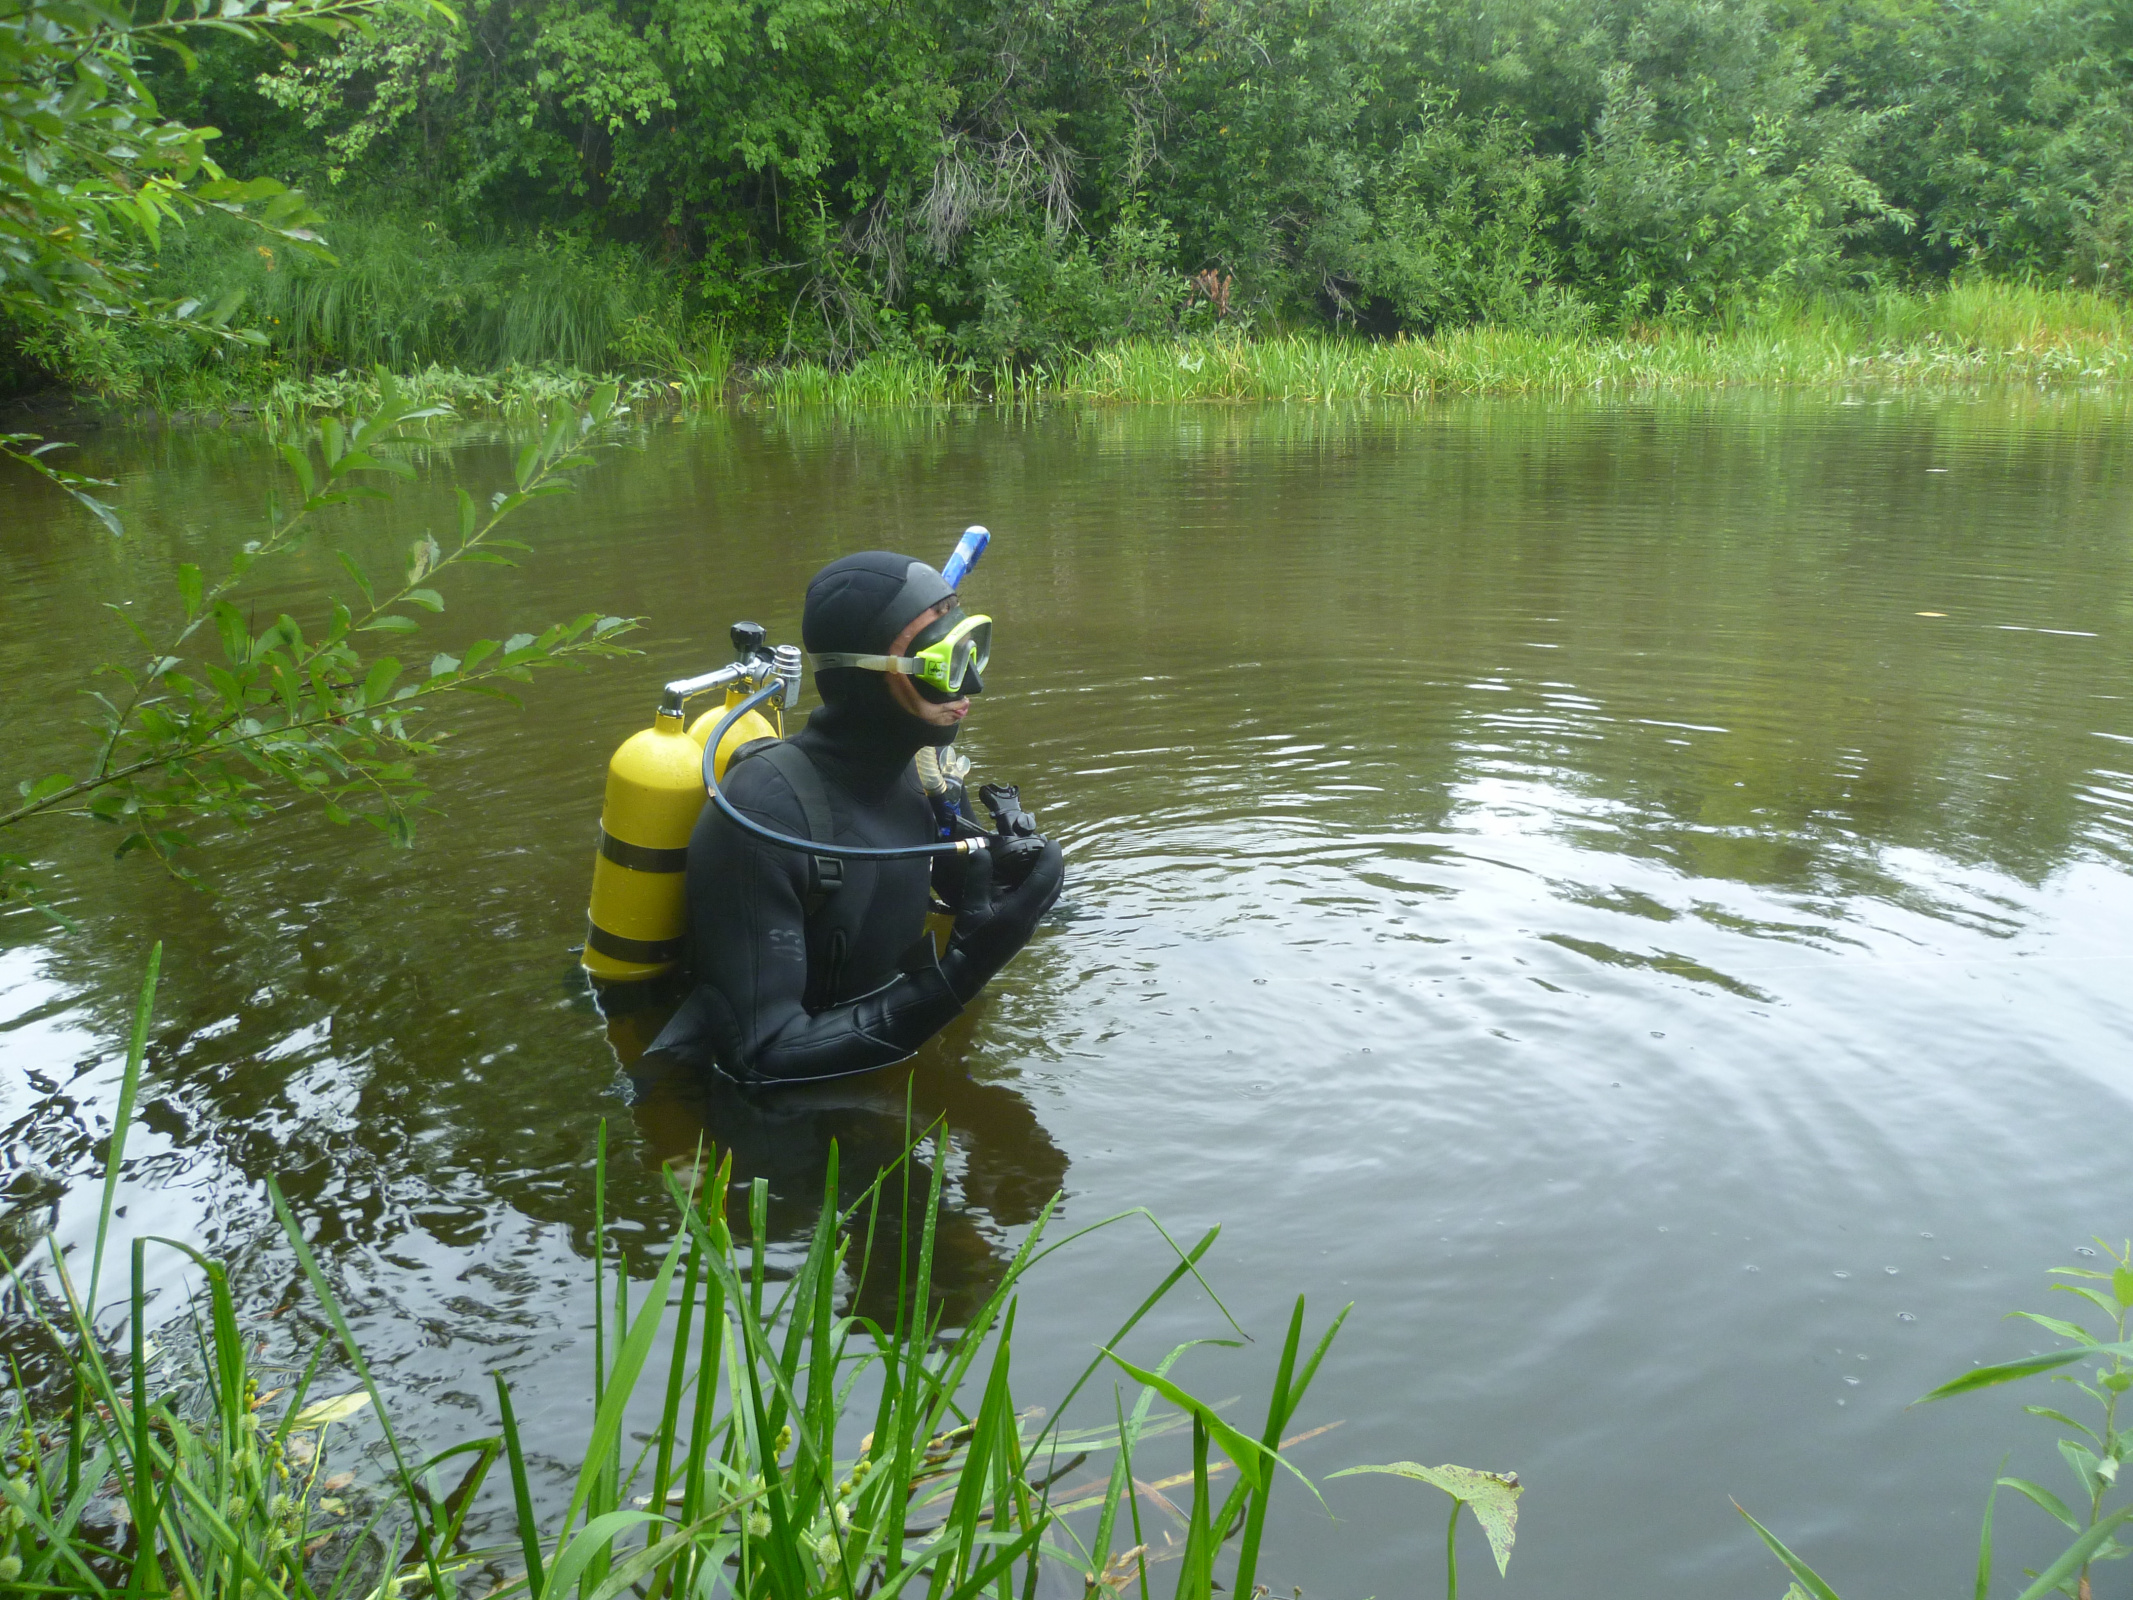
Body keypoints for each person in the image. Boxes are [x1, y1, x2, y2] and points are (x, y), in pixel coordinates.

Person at [646, 551, 1065, 1083]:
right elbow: (758, 1059)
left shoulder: (917, 773)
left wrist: (995, 883)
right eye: (944, 663)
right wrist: (964, 970)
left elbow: (891, 884)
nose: (972, 688)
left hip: (884, 1064)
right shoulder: (763, 818)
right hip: (786, 1121)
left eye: (971, 650)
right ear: (862, 676)